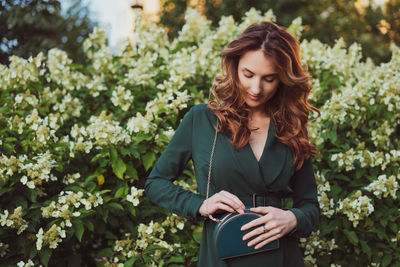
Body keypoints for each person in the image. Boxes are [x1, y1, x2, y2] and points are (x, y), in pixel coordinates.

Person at [144, 21, 320, 267]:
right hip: (221, 256)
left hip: (281, 256)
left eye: (269, 79)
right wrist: (200, 205)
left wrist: (293, 219)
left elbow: (310, 204)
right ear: (234, 66)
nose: (256, 88)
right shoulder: (201, 119)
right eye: (248, 75)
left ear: (282, 79)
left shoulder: (292, 127)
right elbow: (155, 183)